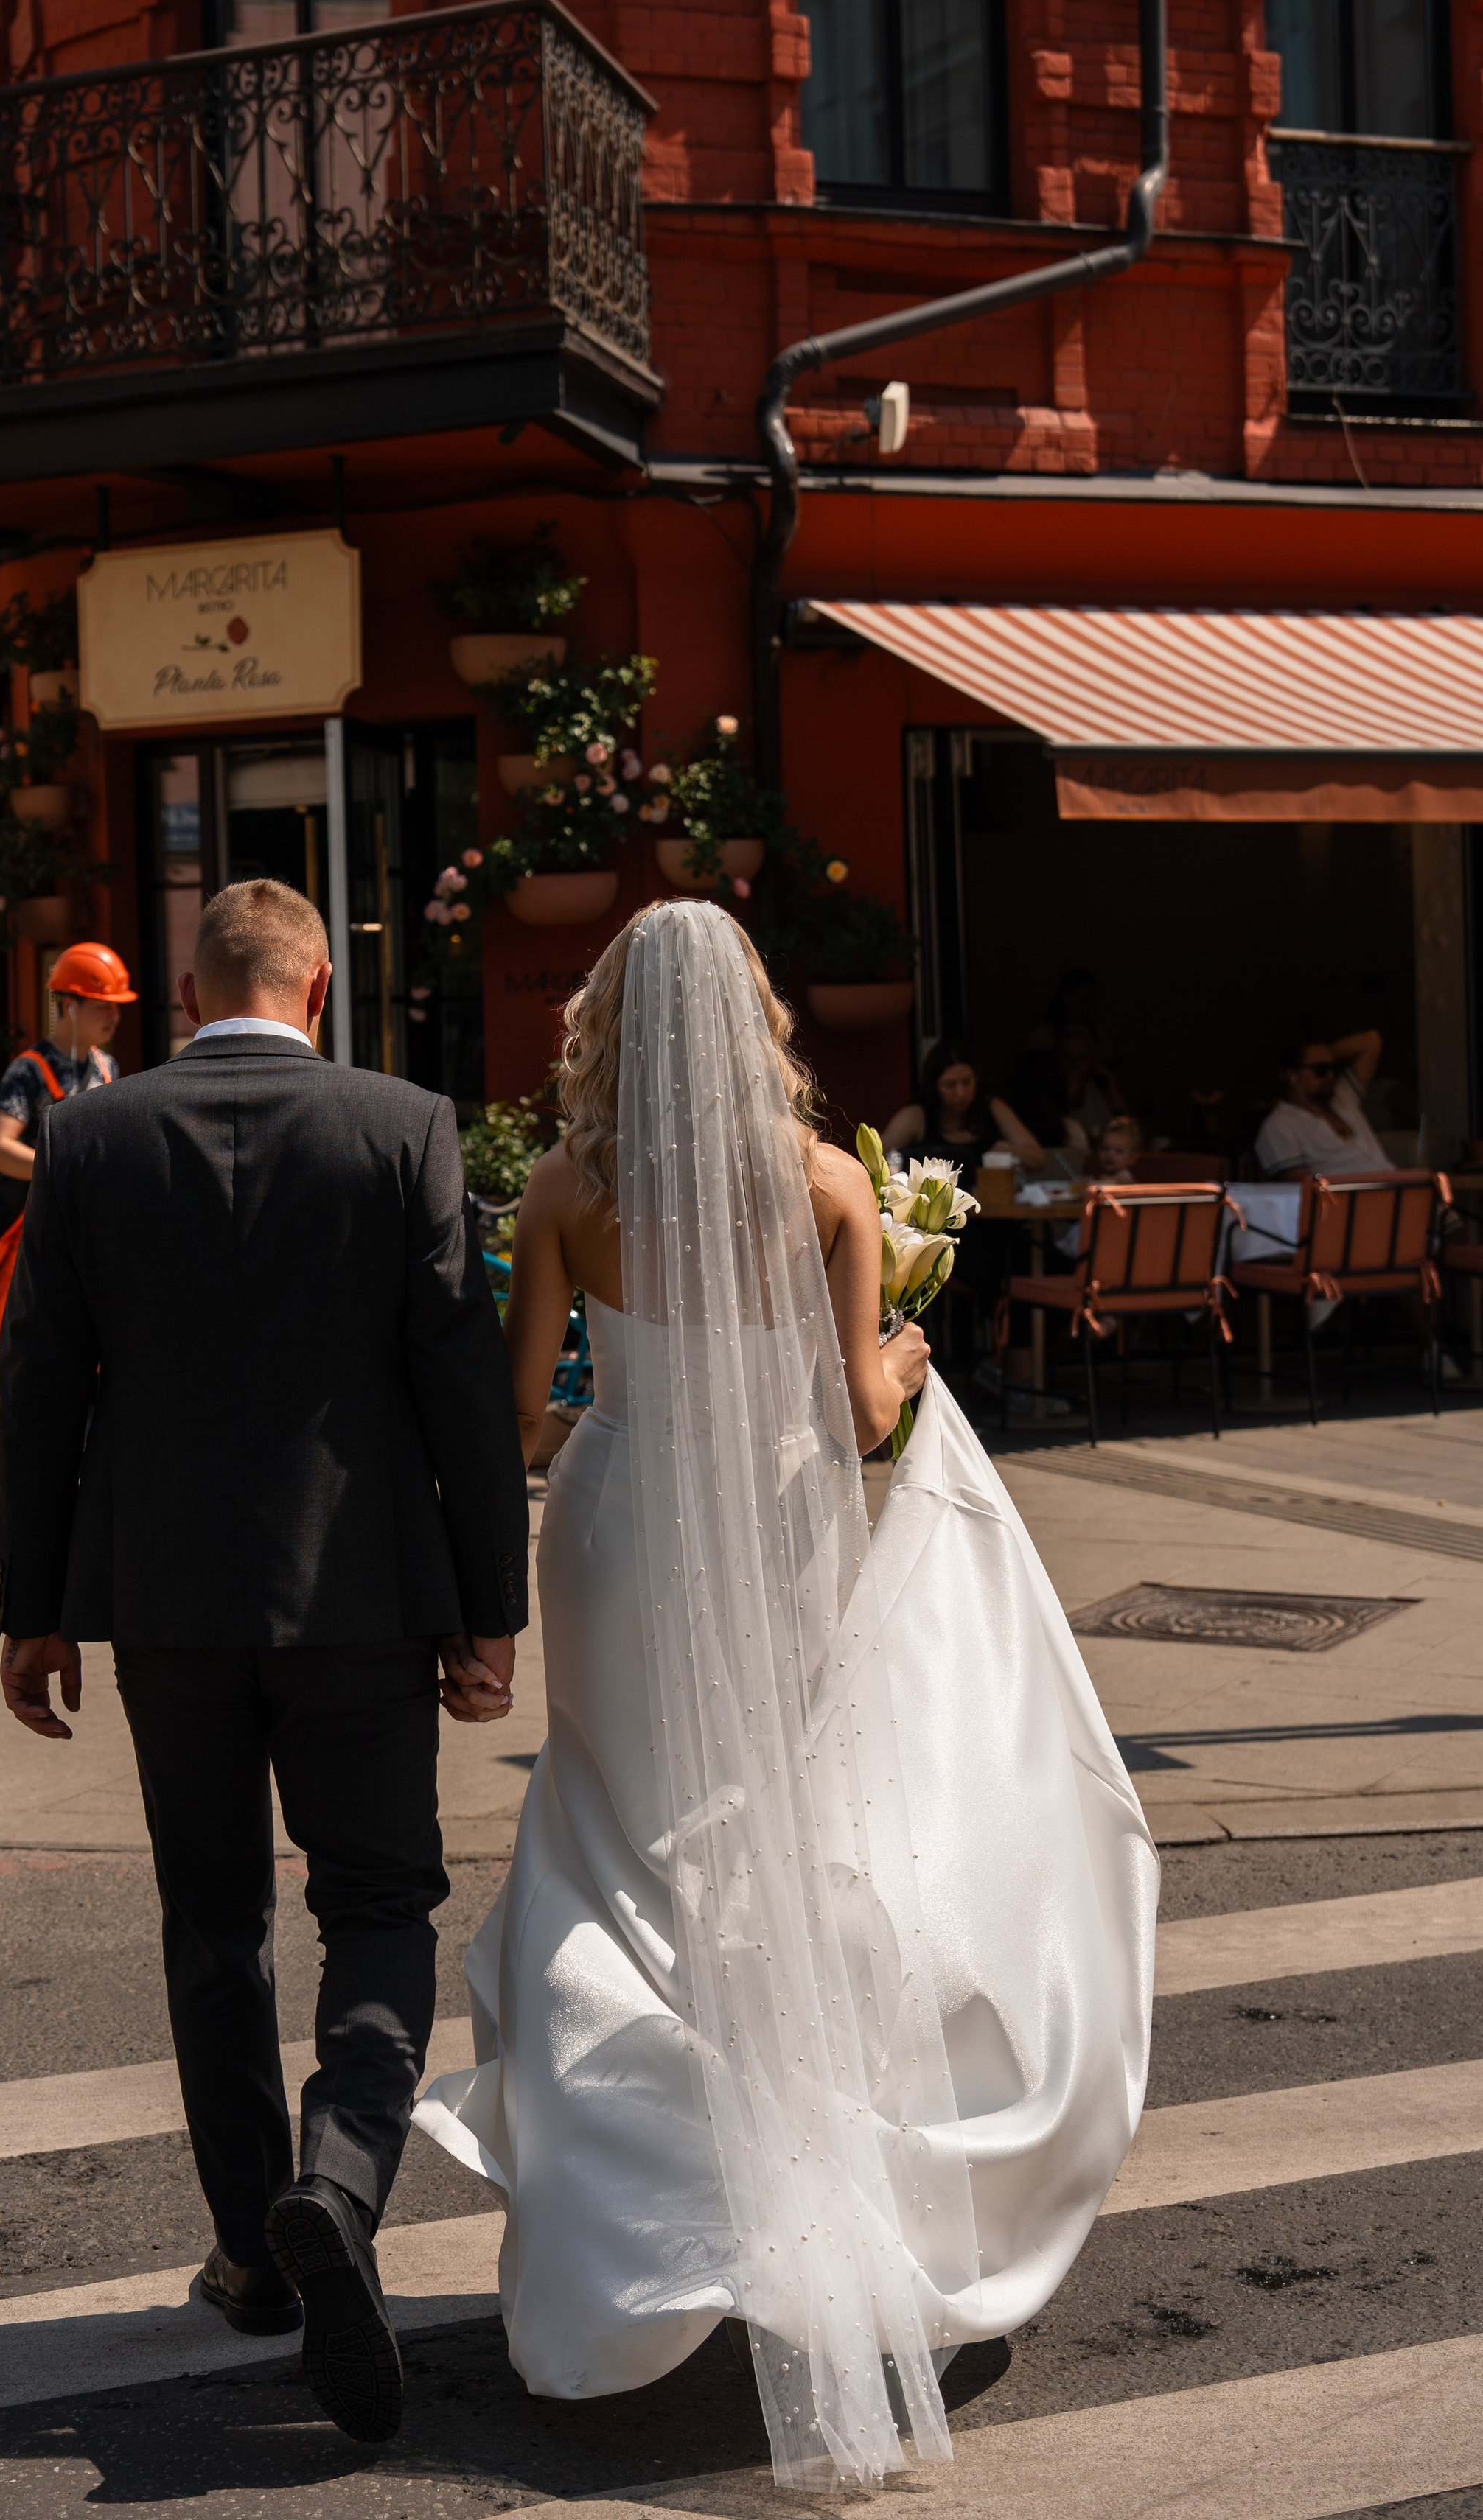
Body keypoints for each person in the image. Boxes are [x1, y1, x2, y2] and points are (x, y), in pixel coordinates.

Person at [414, 903, 1156, 2496]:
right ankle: (806, 2179)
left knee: (617, 1844)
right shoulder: (826, 1183)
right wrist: (896, 1342)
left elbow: (523, 1411)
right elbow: (847, 1410)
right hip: (775, 1522)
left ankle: (629, 2213)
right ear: (750, 1012)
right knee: (774, 1828)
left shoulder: (565, 1189)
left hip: (619, 1534)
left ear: (611, 1016)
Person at [0, 878, 530, 2450]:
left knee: (210, 1912)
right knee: (375, 1900)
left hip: (164, 1601)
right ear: (316, 991)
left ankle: (251, 2244)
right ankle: (340, 2180)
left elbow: (38, 1386)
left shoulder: (93, 1136)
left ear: (181, 989)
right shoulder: (402, 1125)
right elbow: (455, 1382)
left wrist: (33, 1605)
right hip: (359, 1593)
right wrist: (484, 1604)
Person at [0, 942, 132, 1522]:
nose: (114, 1016)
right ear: (68, 1005)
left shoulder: (106, 1069)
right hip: (27, 1235)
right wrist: (64, 1168)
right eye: (103, 1005)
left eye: (117, 1006)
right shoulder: (31, 1070)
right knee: (8, 1352)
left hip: (83, 1234)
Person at [880, 1040, 1046, 1192]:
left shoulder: (992, 1108)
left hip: (989, 1213)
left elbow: (1038, 1158)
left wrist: (1008, 1151)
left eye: (967, 1082)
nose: (961, 1093)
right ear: (934, 1086)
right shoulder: (916, 1116)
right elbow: (875, 1158)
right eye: (950, 1085)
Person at [1254, 1028, 1392, 1180]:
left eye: (1333, 1068)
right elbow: (1301, 1190)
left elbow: (1371, 1041)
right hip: (1352, 1201)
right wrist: (1303, 1060)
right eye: (1321, 1070)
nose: (1330, 1076)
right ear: (1292, 1076)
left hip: (1395, 1187)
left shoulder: (1343, 1098)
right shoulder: (1279, 1125)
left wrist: (1322, 1056)